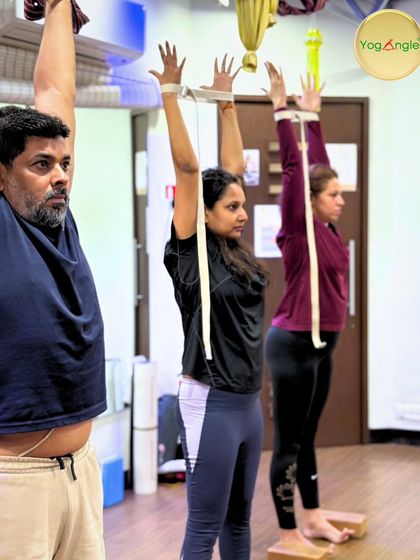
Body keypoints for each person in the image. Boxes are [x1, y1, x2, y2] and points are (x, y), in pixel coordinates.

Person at [150, 43, 266, 560]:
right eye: (232, 207)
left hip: (248, 402)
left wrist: (227, 103)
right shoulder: (189, 251)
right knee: (204, 526)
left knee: (239, 521)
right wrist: (170, 94)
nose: (243, 213)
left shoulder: (236, 252)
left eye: (243, 205)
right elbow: (189, 168)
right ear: (205, 212)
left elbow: (231, 168)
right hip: (210, 400)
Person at [0, 1, 106, 558]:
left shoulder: (58, 219)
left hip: (80, 470)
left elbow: (55, 92)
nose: (61, 175)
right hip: (14, 484)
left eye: (63, 163)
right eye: (42, 165)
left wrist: (60, 5)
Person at [263, 64, 353, 548]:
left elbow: (317, 170)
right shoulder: (300, 231)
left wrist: (313, 120)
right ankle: (288, 530)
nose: (340, 201)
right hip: (294, 345)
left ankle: (314, 517)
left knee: (308, 437)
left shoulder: (329, 230)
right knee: (289, 442)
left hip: (321, 346)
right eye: (333, 196)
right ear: (313, 202)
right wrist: (284, 113)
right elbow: (299, 175)